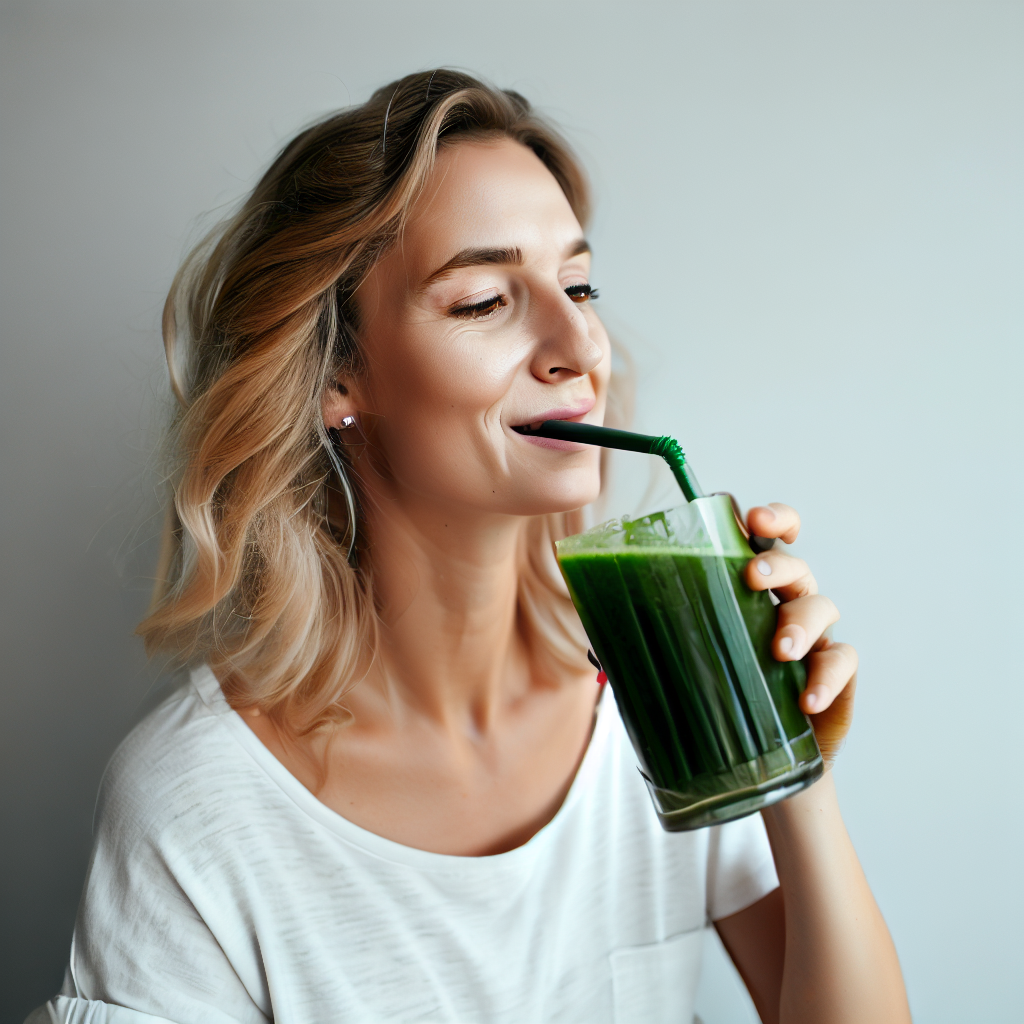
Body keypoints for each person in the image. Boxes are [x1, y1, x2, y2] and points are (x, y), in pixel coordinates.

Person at [30, 70, 910, 1024]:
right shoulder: (196, 804)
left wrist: (787, 763)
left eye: (580, 284)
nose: (579, 340)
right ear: (338, 378)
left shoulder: (662, 702)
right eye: (485, 300)